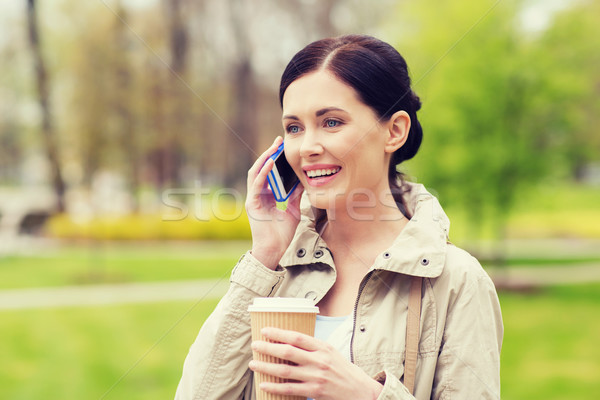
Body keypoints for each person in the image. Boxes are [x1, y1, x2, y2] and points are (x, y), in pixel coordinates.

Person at [175, 34, 503, 400]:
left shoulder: (457, 281)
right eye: (294, 128)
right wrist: (264, 256)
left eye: (331, 122)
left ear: (394, 131)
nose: (308, 148)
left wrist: (366, 395)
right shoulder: (275, 270)